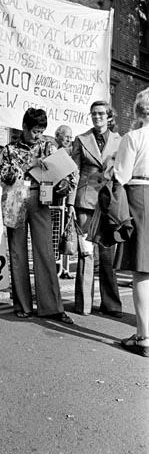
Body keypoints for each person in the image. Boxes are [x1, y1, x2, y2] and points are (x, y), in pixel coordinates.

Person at [0, 108, 73, 323]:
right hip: (16, 199)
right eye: (34, 131)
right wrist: (27, 165)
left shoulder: (49, 146)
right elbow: (6, 176)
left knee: (45, 251)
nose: (38, 135)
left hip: (42, 199)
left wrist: (64, 184)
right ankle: (23, 305)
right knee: (17, 252)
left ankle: (52, 307)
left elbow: (63, 174)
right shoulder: (9, 148)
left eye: (41, 131)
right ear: (23, 128)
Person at [67, 101, 122, 317]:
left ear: (109, 117)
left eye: (101, 114)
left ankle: (111, 305)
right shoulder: (81, 140)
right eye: (93, 114)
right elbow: (74, 172)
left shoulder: (120, 140)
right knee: (86, 252)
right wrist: (70, 203)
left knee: (108, 254)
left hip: (108, 201)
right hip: (85, 200)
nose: (97, 117)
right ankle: (84, 304)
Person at [114, 88, 149, 357]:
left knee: (142, 271)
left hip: (140, 197)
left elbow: (121, 176)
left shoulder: (133, 137)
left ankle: (144, 336)